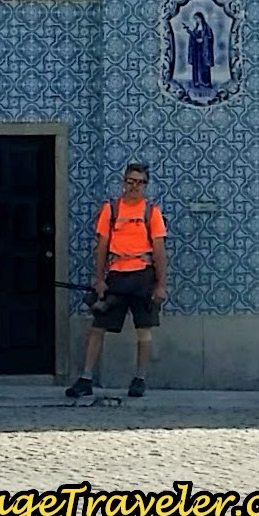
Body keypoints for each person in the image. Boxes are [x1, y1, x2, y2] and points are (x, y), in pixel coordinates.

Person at [65, 162, 167, 399]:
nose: (135, 186)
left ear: (145, 185)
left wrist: (160, 285)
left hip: (143, 275)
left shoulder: (151, 212)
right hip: (117, 275)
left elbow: (160, 251)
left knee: (144, 330)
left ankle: (140, 379)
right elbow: (101, 247)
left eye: (140, 182)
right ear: (123, 182)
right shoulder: (111, 210)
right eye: (131, 181)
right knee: (98, 327)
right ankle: (86, 378)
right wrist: (99, 279)